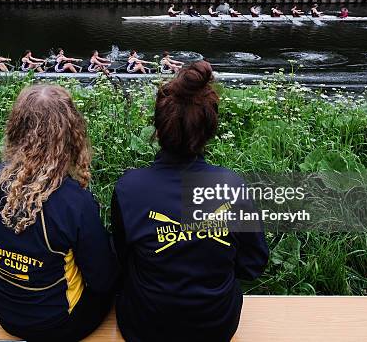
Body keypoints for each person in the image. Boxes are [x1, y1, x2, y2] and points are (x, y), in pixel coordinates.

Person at [111, 61, 269, 342]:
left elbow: (122, 259)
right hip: (215, 327)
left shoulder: (128, 187)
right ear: (208, 131)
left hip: (144, 327)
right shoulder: (231, 186)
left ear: (158, 129)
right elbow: (253, 264)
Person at [0, 85, 118, 342]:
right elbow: (103, 280)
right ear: (70, 134)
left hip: (3, 311)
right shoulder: (74, 202)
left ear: (17, 129)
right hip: (58, 325)